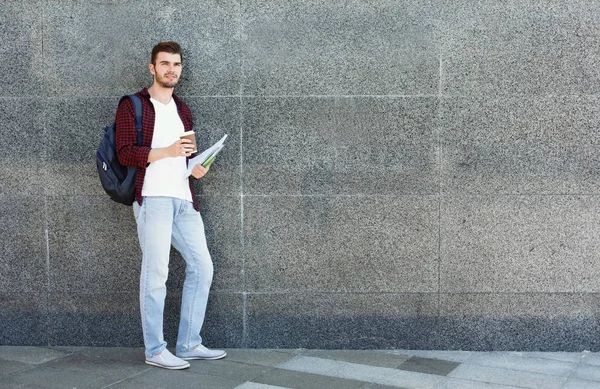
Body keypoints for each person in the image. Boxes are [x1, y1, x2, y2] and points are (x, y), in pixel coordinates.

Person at [115, 41, 226, 370]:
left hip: (183, 199)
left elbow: (186, 155)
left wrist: (196, 167)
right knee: (156, 275)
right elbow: (124, 153)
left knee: (202, 267)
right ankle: (155, 350)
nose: (171, 69)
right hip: (153, 198)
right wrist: (167, 151)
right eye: (164, 64)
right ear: (152, 68)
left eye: (176, 64)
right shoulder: (133, 105)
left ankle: (189, 343)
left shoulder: (182, 109)